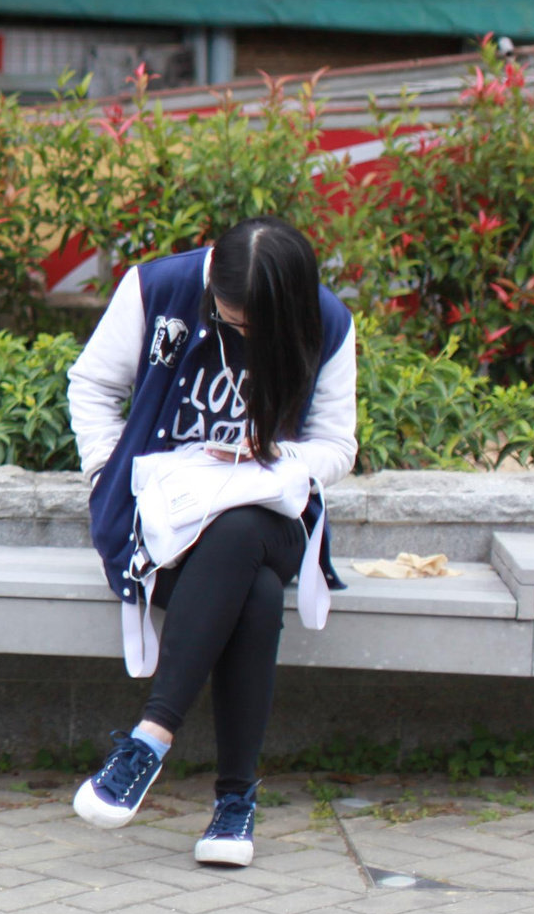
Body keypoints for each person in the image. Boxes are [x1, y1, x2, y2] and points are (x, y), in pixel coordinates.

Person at [64, 216, 357, 867]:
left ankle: (148, 739)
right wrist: (105, 471)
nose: (241, 332)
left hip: (267, 517)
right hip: (164, 523)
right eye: (229, 318)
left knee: (243, 526)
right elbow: (92, 386)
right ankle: (234, 804)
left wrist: (275, 460)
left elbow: (339, 445)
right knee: (250, 591)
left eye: (255, 325)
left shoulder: (327, 320)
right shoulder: (157, 287)